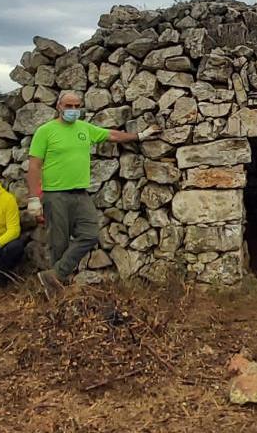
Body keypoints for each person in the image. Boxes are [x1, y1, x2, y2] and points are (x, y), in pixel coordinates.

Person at [27, 90, 159, 299]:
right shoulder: (45, 131)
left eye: (76, 106)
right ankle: (57, 293)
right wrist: (34, 198)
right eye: (68, 106)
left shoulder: (85, 129)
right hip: (55, 195)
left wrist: (139, 135)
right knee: (58, 243)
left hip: (80, 194)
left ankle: (54, 276)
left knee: (90, 234)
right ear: (59, 107)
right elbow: (34, 165)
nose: (73, 110)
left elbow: (112, 135)